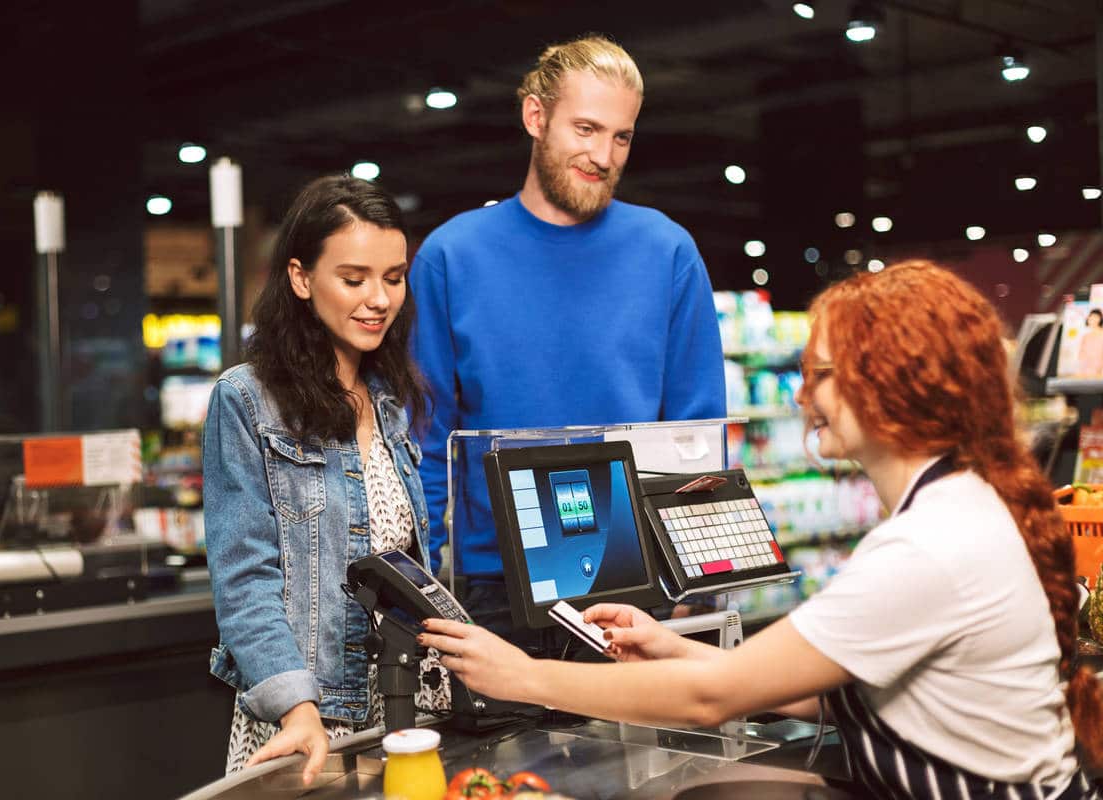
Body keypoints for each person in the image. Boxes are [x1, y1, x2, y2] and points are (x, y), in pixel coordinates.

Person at [421, 260, 1103, 798]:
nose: (804, 396)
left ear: (894, 386)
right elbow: (846, 686)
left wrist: (522, 675)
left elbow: (711, 701)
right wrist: (673, 647)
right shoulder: (957, 508)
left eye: (822, 375)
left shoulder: (927, 546)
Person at [410, 35, 726, 630]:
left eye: (621, 136)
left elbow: (696, 430)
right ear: (536, 117)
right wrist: (420, 583)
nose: (603, 155)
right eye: (586, 128)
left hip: (638, 583)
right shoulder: (452, 256)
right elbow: (426, 438)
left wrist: (699, 570)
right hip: (490, 588)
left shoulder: (668, 252)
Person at [203, 175, 446, 783]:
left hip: (407, 708)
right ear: (301, 278)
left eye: (393, 277)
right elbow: (244, 580)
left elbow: (413, 568)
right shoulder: (245, 400)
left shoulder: (388, 400)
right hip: (310, 718)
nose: (379, 299)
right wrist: (297, 705)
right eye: (354, 278)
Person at [1078, 309, 1103, 376]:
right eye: (1091, 317)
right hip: (1087, 371)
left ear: (1100, 319)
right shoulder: (1086, 337)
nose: (1093, 320)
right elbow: (1081, 355)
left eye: (1096, 317)